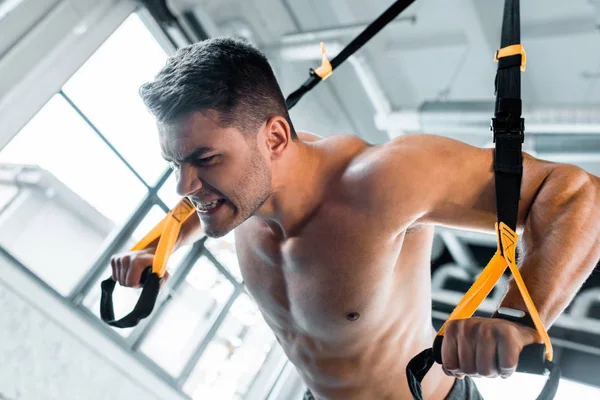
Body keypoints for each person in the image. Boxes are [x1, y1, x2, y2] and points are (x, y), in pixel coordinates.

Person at [111, 37, 600, 399]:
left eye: (205, 159)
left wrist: (516, 317)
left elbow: (577, 195)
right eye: (175, 164)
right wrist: (160, 243)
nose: (184, 185)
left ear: (276, 138)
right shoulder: (242, 192)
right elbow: (198, 201)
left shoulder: (382, 182)